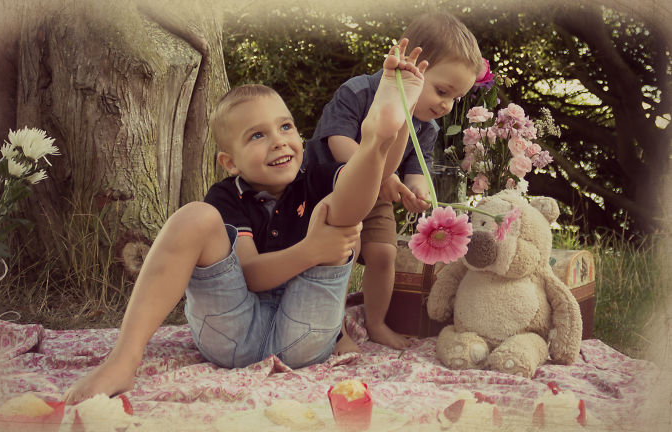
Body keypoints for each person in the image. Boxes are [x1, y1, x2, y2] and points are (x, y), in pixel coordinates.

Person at [62, 39, 428, 404]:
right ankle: (124, 360)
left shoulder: (313, 174)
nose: (279, 142)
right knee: (195, 217)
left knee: (340, 211)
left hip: (303, 333)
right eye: (257, 135)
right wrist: (312, 250)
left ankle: (377, 136)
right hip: (232, 332)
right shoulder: (227, 196)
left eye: (285, 127)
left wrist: (384, 141)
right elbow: (249, 273)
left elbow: (370, 189)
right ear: (230, 163)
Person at [303, 12, 483, 350]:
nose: (446, 105)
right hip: (327, 192)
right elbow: (337, 144)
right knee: (342, 252)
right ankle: (333, 329)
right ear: (409, 66)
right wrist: (374, 173)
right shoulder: (358, 91)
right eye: (442, 91)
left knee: (385, 254)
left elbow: (418, 167)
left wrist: (417, 191)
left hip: (378, 196)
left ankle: (375, 322)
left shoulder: (426, 126)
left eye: (454, 99)